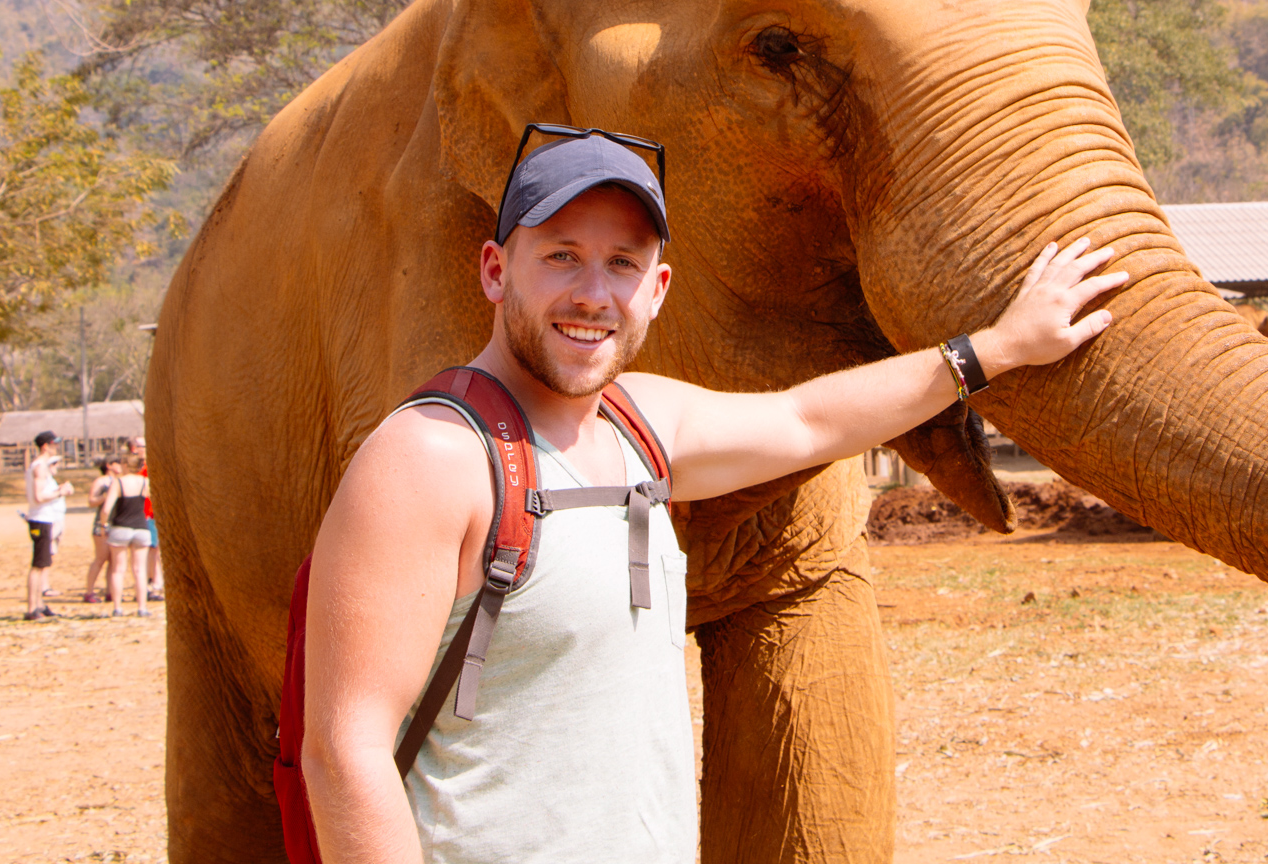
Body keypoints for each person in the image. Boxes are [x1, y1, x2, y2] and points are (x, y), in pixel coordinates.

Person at [302, 128, 1129, 864]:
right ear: (495, 270)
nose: (593, 292)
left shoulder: (640, 424)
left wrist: (995, 349)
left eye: (621, 263)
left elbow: (808, 420)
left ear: (657, 289)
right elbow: (345, 751)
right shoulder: (432, 458)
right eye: (560, 254)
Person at [22, 431, 72, 621]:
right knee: (38, 565)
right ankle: (32, 608)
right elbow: (39, 496)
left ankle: (39, 605)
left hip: (46, 519)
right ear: (45, 446)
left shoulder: (42, 466)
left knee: (43, 564)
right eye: (54, 444)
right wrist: (61, 492)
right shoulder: (40, 467)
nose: (56, 447)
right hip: (41, 519)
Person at [99, 456, 152, 617]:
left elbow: (106, 509)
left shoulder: (119, 482)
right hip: (141, 527)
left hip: (121, 527)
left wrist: (103, 525)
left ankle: (118, 608)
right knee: (140, 570)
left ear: (125, 465)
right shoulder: (144, 482)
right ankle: (142, 608)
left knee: (118, 569)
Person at [129, 436, 163, 599]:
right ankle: (150, 582)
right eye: (139, 446)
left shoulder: (151, 466)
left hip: (151, 513)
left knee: (154, 549)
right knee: (148, 550)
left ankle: (154, 580)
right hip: (140, 514)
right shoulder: (134, 469)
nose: (141, 449)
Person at [84, 459, 116, 603]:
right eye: (117, 463)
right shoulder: (101, 481)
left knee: (113, 560)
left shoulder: (119, 480)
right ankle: (89, 591)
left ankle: (111, 591)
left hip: (116, 523)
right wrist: (106, 496)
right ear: (109, 465)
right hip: (101, 523)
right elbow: (91, 501)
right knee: (100, 558)